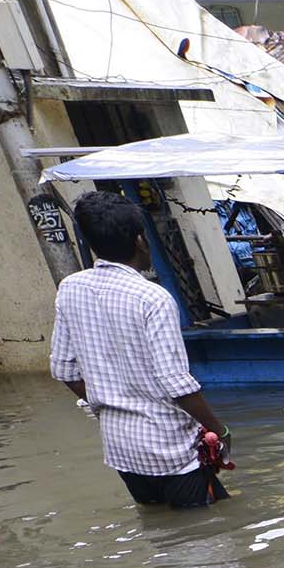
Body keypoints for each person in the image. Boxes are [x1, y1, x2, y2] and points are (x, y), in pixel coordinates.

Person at [49, 191, 235, 511]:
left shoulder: (70, 288)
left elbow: (64, 370)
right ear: (139, 240)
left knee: (160, 528)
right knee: (207, 537)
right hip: (170, 448)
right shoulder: (152, 297)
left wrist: (105, 403)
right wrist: (220, 430)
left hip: (121, 448)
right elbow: (174, 382)